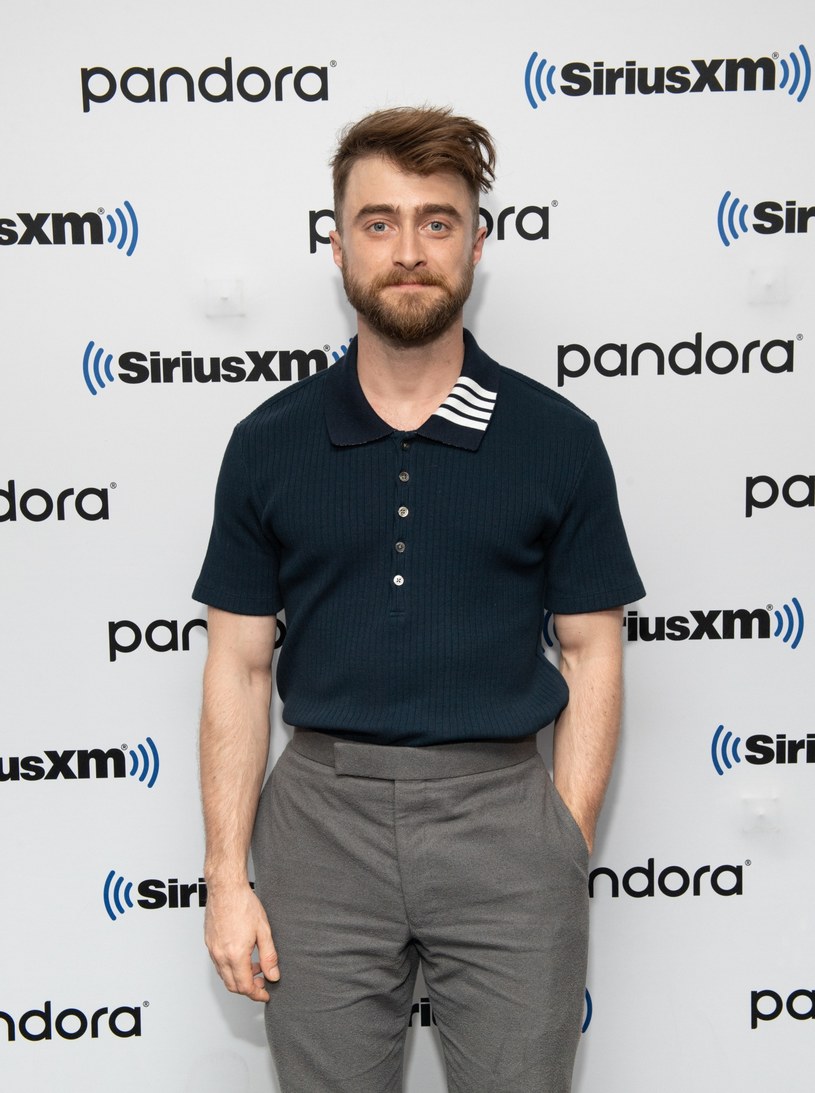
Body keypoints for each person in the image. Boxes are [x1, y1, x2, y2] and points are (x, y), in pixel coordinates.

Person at [193, 105, 645, 1093]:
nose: (408, 250)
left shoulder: (553, 438)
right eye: (379, 221)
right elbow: (235, 663)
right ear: (337, 242)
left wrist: (561, 840)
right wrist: (227, 876)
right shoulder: (268, 443)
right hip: (318, 825)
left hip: (503, 820)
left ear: (476, 244)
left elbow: (591, 649)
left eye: (437, 222)